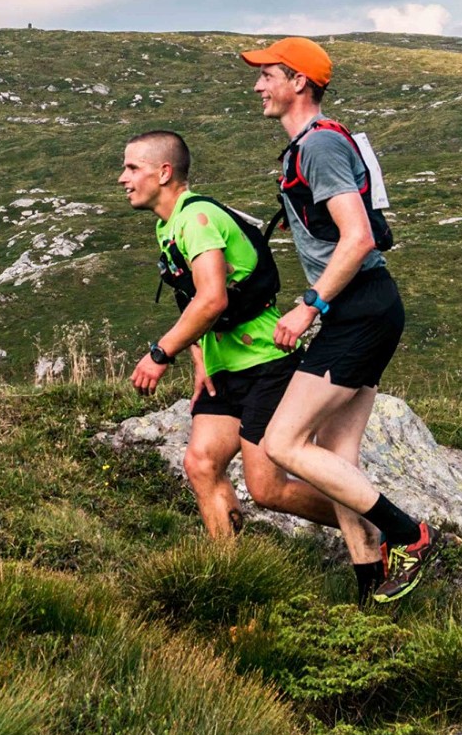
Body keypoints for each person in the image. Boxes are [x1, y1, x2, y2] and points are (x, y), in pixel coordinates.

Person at [241, 37, 441, 603]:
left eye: (268, 75)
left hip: (356, 309)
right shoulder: (312, 146)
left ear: (298, 81)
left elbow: (358, 237)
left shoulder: (321, 147)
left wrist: (311, 304)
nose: (259, 86)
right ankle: (370, 586)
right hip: (366, 306)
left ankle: (411, 535)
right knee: (332, 460)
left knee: (283, 443)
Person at [119, 130, 343, 547]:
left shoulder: (196, 220)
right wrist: (200, 360)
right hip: (224, 367)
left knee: (267, 488)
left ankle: (373, 523)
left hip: (265, 363)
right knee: (202, 463)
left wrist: (160, 353)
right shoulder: (168, 226)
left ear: (164, 172)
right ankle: (230, 570)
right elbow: (190, 299)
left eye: (132, 167)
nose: (123, 178)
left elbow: (212, 299)